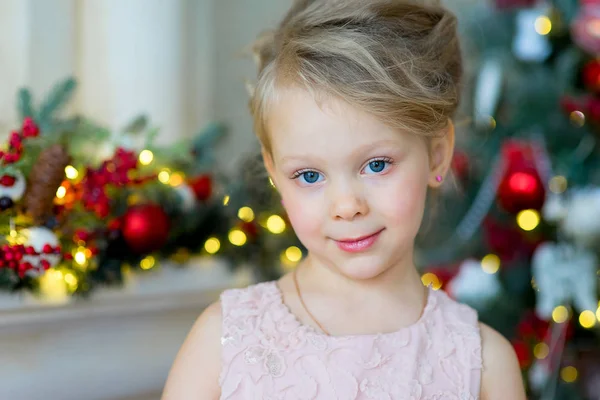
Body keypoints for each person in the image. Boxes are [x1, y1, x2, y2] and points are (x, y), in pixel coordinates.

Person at [162, 1, 526, 398]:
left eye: (376, 165)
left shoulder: (483, 362)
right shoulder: (224, 341)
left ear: (436, 153)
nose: (346, 205)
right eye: (310, 175)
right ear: (274, 172)